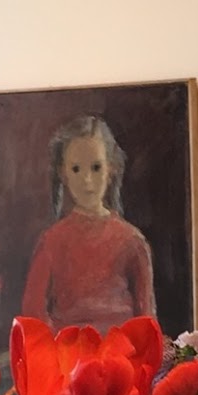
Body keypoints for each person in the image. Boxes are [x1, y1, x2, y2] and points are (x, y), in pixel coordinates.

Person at [20, 115, 157, 331]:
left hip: (121, 350)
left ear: (111, 169)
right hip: (67, 350)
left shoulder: (132, 242)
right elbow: (33, 315)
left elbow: (146, 320)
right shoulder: (51, 242)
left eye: (96, 167)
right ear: (63, 173)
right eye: (76, 169)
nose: (86, 180)